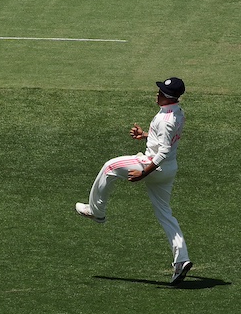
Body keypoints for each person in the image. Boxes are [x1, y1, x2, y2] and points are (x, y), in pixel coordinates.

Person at [76, 77, 193, 284]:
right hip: (168, 171)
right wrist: (146, 135)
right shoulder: (176, 113)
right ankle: (181, 260)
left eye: (160, 92)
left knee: (109, 167)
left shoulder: (165, 120)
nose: (156, 94)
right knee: (165, 214)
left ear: (167, 97)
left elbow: (162, 152)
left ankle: (97, 212)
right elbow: (165, 140)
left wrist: (144, 173)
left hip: (153, 166)